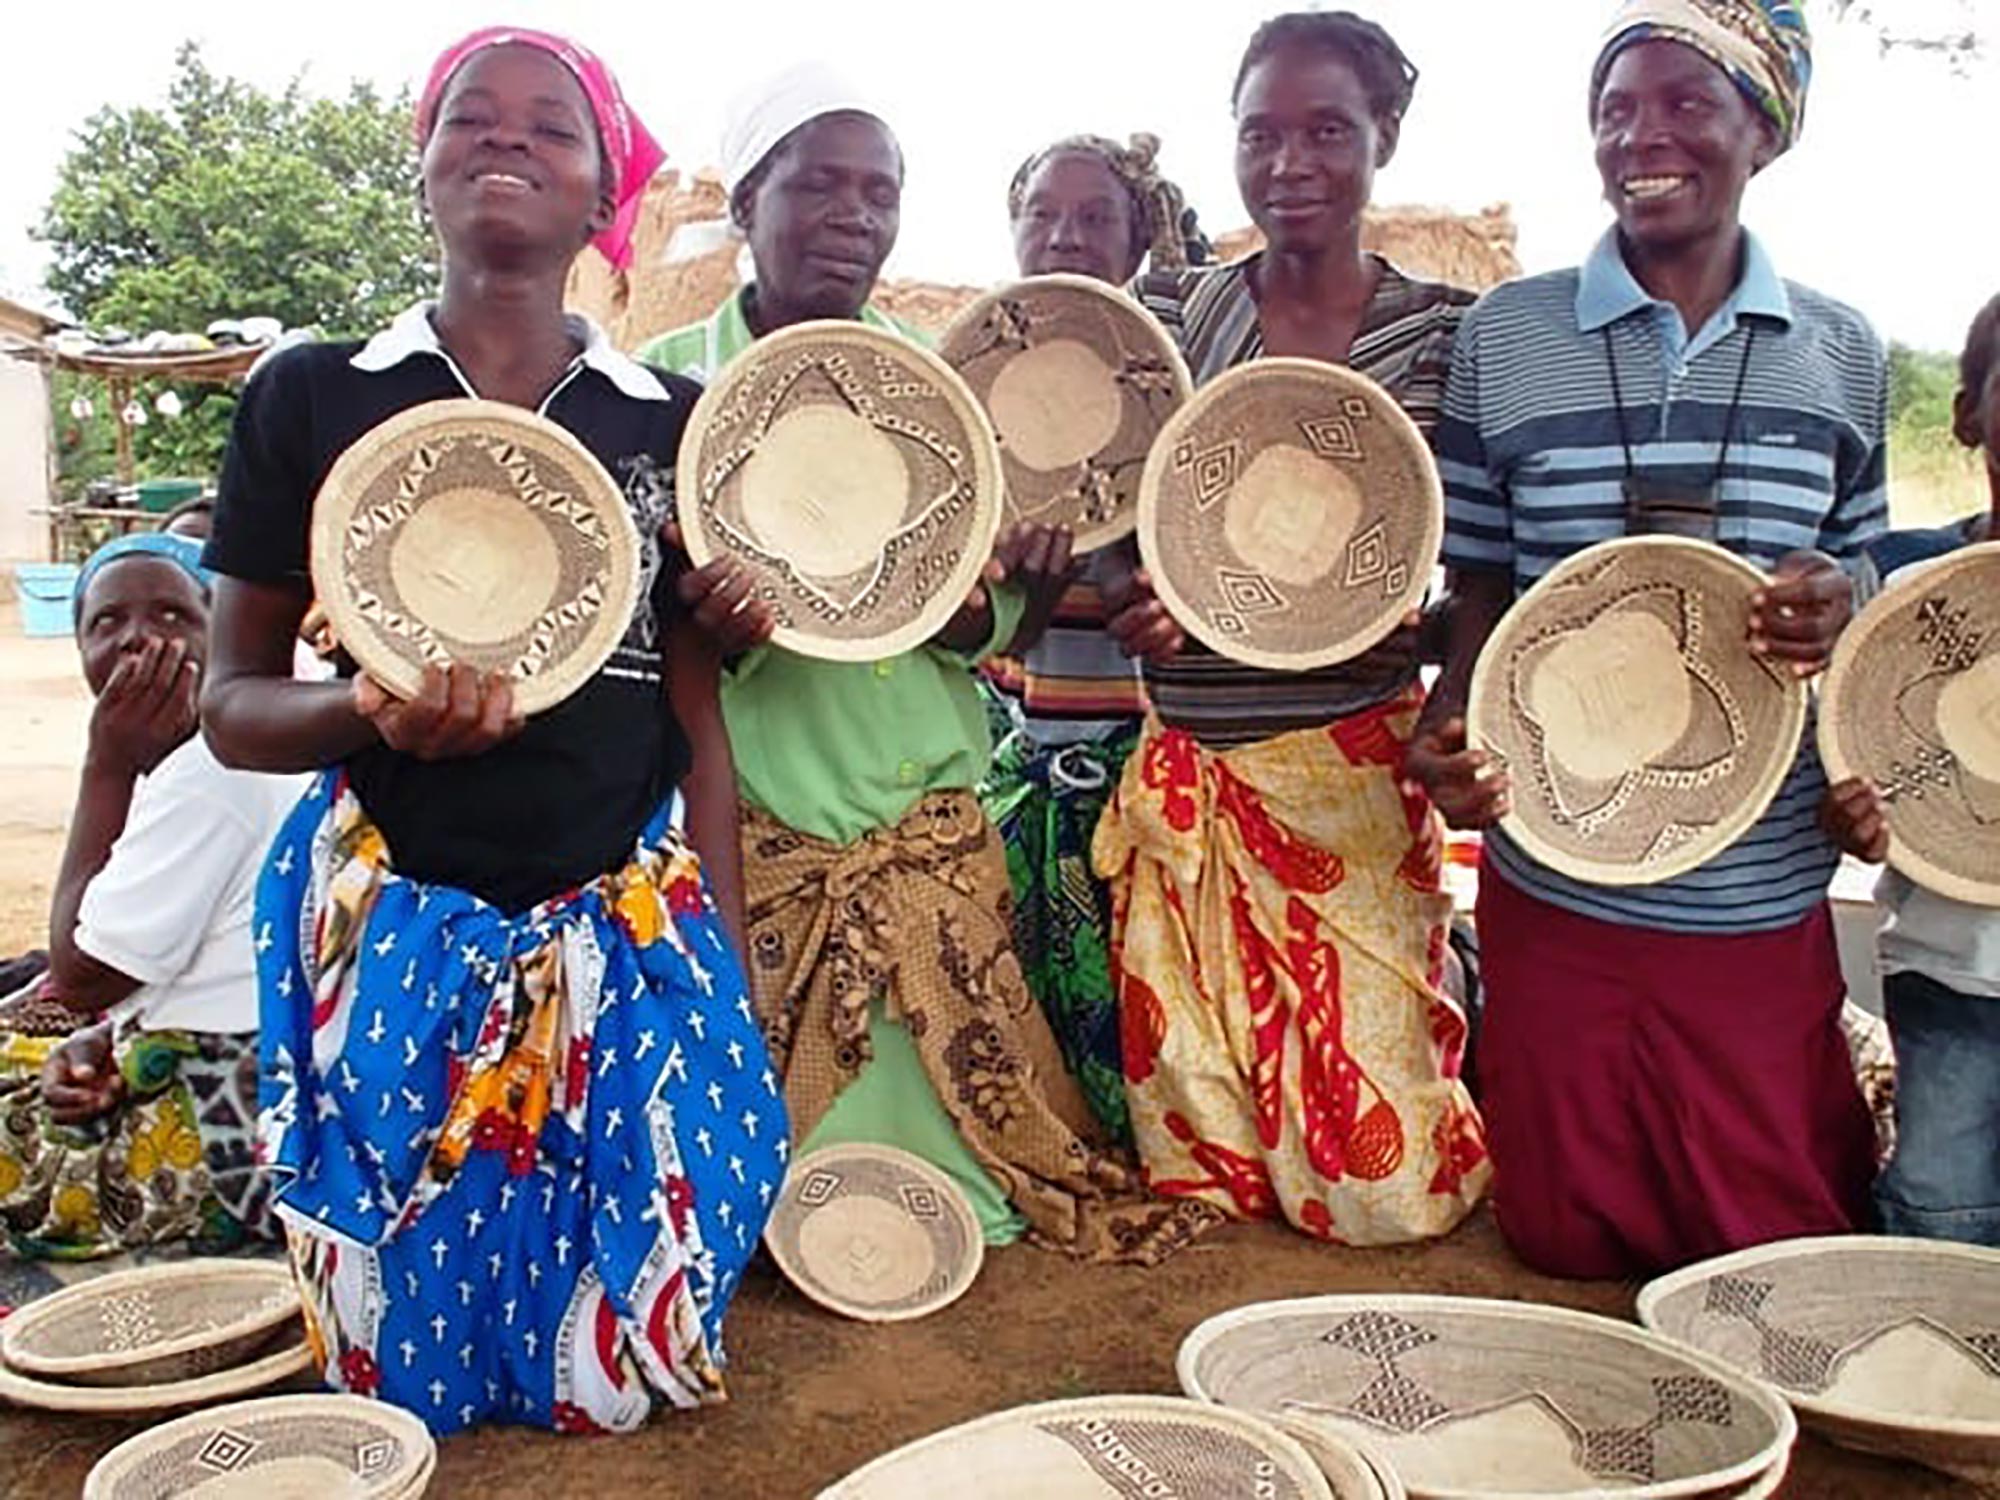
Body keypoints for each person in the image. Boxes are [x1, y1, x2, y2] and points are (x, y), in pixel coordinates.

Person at [199, 28, 784, 1434]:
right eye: (474, 117)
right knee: (402, 1379)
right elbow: (232, 707)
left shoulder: (670, 422)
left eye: (550, 127)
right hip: (404, 919)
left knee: (621, 1370)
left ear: (601, 198)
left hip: (624, 920)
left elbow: (691, 714)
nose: (507, 141)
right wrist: (365, 713)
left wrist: (730, 950)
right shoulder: (318, 395)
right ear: (424, 166)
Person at [638, 68, 1207, 1264]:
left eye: (879, 191)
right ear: (748, 202)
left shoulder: (941, 390)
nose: (854, 213)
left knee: (968, 1190)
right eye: (820, 184)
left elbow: (987, 626)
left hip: (923, 808)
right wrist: (715, 629)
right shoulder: (664, 391)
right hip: (774, 809)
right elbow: (636, 649)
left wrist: (1018, 586)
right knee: (787, 1203)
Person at [1417, 0, 1884, 1278]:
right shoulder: (1505, 336)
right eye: (1615, 110)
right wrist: (1443, 729)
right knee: (1564, 1233)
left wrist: (1834, 597)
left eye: (1685, 106)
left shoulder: (1837, 354)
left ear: (1762, 134)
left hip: (1755, 877)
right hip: (1556, 859)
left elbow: (1861, 574)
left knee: (1770, 1237)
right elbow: (1478, 580)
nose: (1641, 138)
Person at [1093, 11, 1491, 1246]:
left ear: (1384, 138)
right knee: (1200, 1165)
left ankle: (1453, 983)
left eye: (1327, 130)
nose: (1290, 162)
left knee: (1383, 1194)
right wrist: (1132, 601)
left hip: (1349, 770)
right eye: (1261, 133)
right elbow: (1120, 522)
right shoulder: (1181, 319)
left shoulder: (1443, 333)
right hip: (1195, 767)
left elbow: (1479, 561)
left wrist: (1449, 682)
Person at [978, 131, 1198, 1147]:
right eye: (1042, 215)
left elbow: (1185, 571)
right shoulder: (975, 379)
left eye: (1093, 217)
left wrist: (1107, 552)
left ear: (1139, 237)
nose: (1063, 237)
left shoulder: (1175, 382)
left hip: (1143, 765)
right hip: (1024, 747)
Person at [0, 534, 300, 1259]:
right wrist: (102, 1039)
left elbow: (80, 977)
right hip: (246, 1091)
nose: (140, 639)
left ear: (216, 630)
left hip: (227, 1147)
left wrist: (105, 765)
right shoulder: (244, 742)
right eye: (107, 622)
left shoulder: (211, 771)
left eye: (170, 615)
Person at [1824, 293, 2000, 1246]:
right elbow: (1855, 752)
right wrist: (1851, 816)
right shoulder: (1899, 584)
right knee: (1943, 1207)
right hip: (1950, 970)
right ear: (1968, 412)